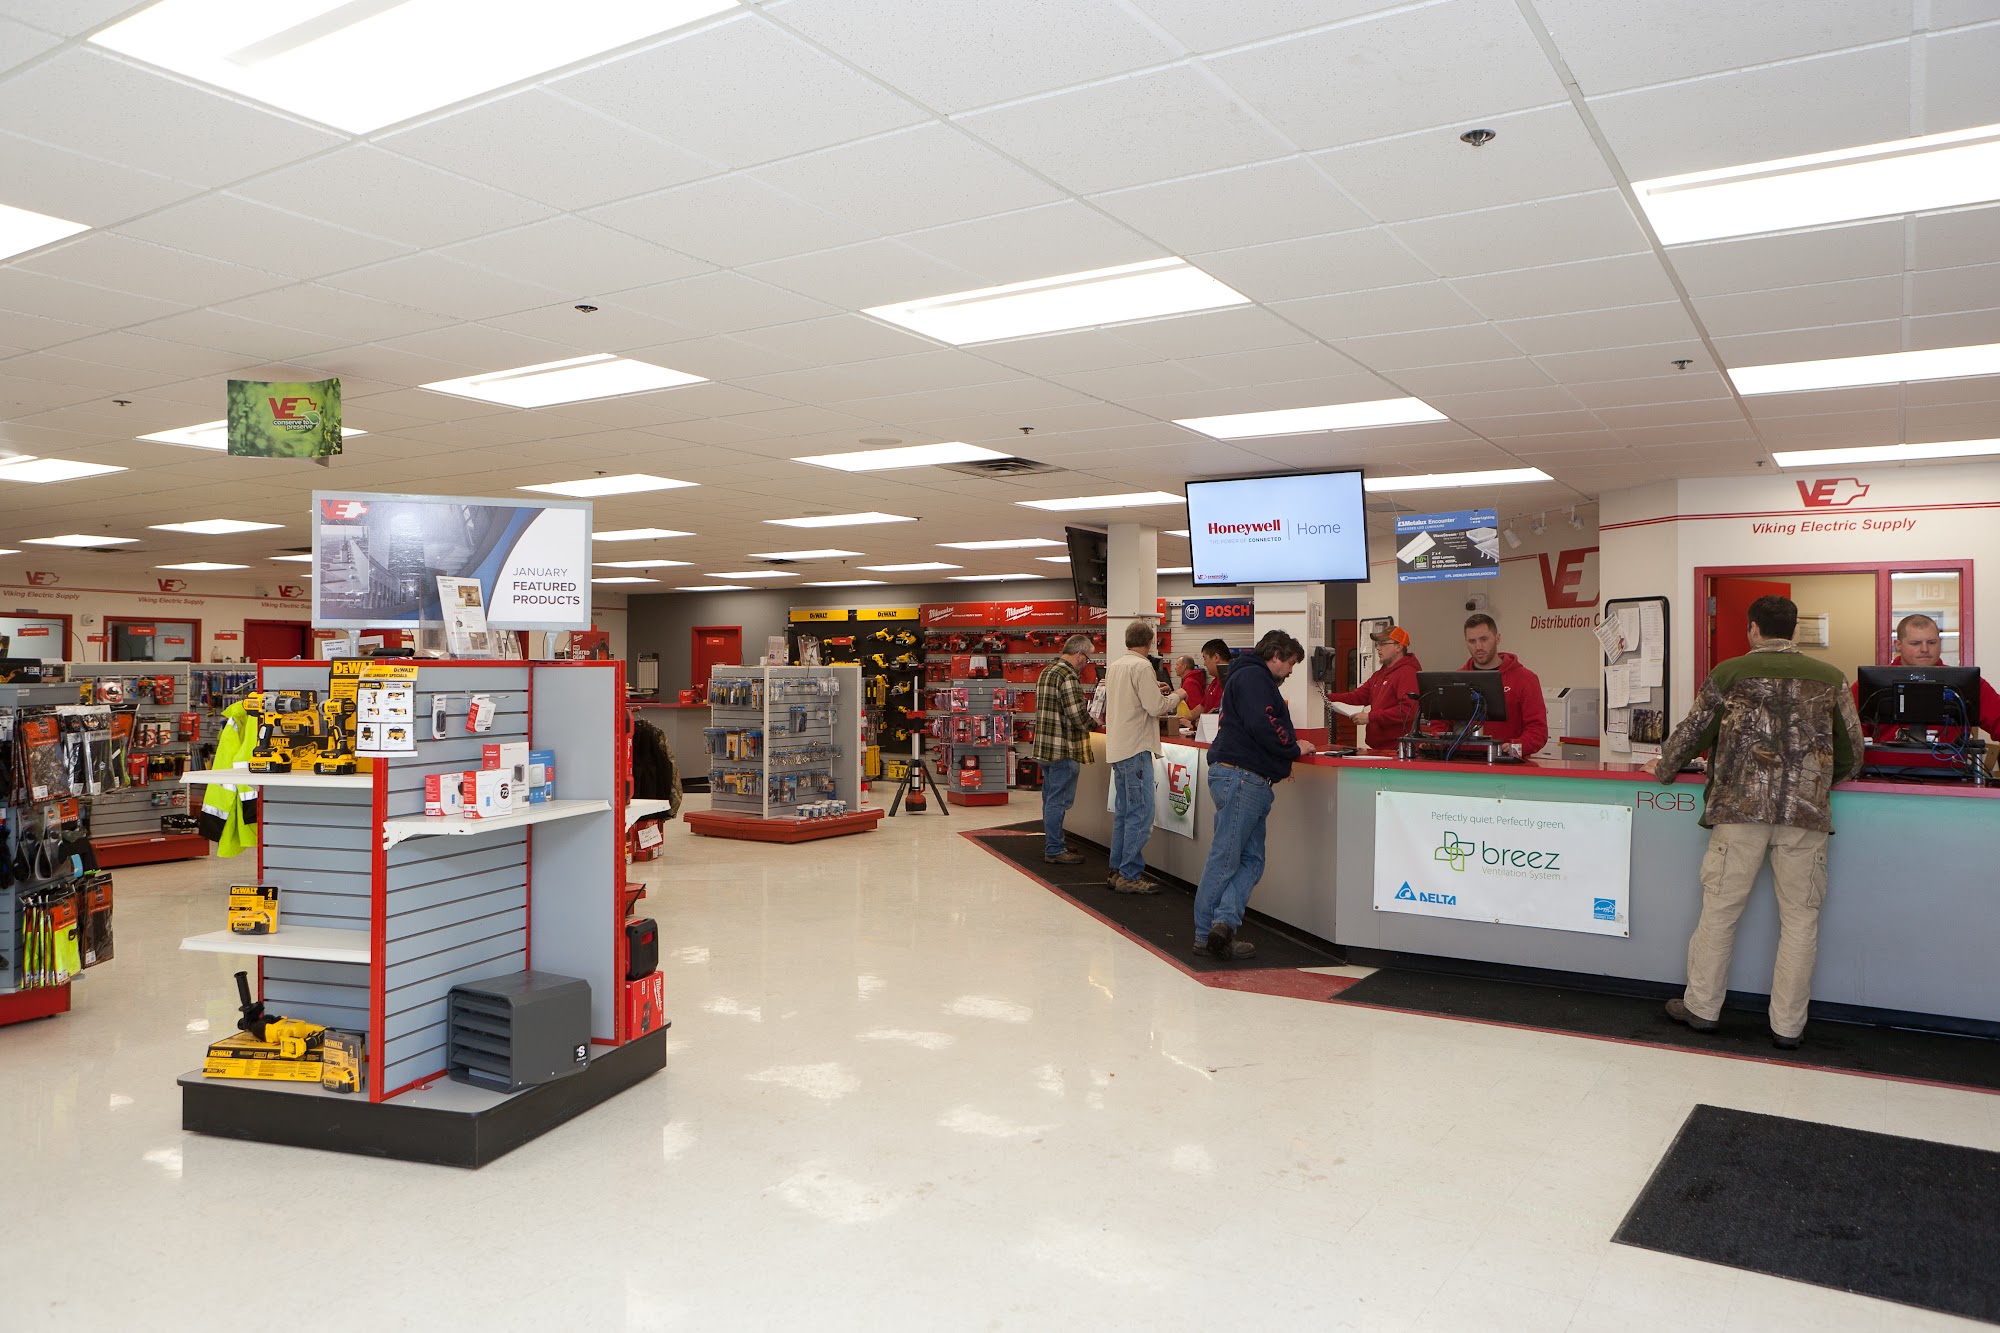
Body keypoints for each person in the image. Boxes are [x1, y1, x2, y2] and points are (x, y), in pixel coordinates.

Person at [1644, 594, 1864, 1050]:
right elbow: (1853, 752)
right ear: (1794, 630)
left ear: (1753, 629)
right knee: (1800, 919)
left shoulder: (1730, 673)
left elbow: (1692, 732)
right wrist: (1818, 782)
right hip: (1804, 815)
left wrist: (1664, 767)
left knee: (1720, 911)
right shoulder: (1831, 677)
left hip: (1739, 811)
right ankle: (1788, 1026)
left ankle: (1702, 1008)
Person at [1192, 630, 1316, 961]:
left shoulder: (1246, 676)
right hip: (1243, 778)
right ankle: (1204, 935)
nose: (1291, 671)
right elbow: (1264, 724)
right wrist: (1293, 747)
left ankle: (1223, 927)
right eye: (1290, 663)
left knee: (1251, 860)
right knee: (1227, 858)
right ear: (1275, 656)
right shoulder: (1254, 678)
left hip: (1243, 778)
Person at [1103, 619, 1185, 894]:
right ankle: (1129, 874)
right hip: (1136, 749)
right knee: (1141, 815)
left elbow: (1132, 701)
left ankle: (1117, 870)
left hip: (1118, 749)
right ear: (1149, 643)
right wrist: (1177, 695)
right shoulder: (1142, 666)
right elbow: (1156, 708)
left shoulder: (1116, 666)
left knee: (1124, 813)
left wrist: (1153, 690)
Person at [1856, 613, 2000, 743]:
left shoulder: (1969, 683)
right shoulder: (1869, 683)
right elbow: (1850, 735)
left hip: (1949, 763)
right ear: (1898, 645)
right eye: (1915, 643)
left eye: (1931, 642)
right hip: (1882, 764)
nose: (1925, 649)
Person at [1030, 635, 1097, 866]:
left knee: (1050, 799)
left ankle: (1055, 841)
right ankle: (1055, 849)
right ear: (1079, 655)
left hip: (1045, 748)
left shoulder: (1047, 671)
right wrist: (1094, 723)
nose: (1086, 663)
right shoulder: (1068, 676)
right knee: (1058, 802)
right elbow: (1077, 715)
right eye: (1087, 658)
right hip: (1063, 749)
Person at [1460, 613, 1549, 756]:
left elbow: (1538, 730)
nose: (1478, 647)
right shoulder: (1458, 678)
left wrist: (1516, 747)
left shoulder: (1525, 679)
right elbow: (1440, 723)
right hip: (1462, 762)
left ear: (1497, 638)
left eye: (1484, 639)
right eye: (1472, 641)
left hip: (1506, 763)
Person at [1325, 625, 1421, 749]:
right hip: (1380, 748)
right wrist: (1325, 698)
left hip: (1398, 749)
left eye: (1383, 643)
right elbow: (1357, 696)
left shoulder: (1407, 673)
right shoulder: (1379, 675)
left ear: (1398, 646)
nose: (1378, 648)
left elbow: (1408, 711)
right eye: (1377, 644)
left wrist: (1370, 717)